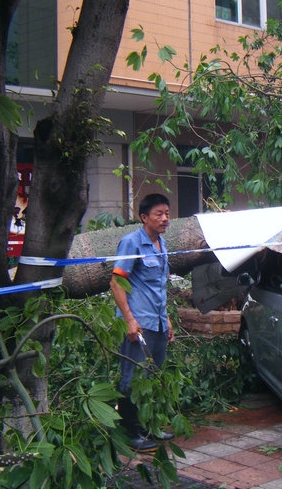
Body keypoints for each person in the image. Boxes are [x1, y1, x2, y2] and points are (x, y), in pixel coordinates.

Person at [110, 193, 175, 452]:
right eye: (159, 214)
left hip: (157, 322)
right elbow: (117, 283)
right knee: (133, 378)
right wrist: (129, 320)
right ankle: (130, 433)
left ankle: (149, 427)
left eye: (167, 213)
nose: (165, 218)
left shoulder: (163, 244)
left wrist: (167, 319)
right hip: (138, 324)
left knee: (152, 377)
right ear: (144, 217)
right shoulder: (131, 243)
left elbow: (159, 286)